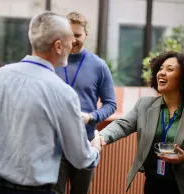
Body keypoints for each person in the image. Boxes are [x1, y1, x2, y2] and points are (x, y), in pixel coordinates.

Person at [0, 11, 102, 194]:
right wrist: (95, 149)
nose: (73, 45)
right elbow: (80, 158)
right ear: (58, 46)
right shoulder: (62, 93)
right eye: (70, 40)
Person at [99, 51, 184, 194]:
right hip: (153, 183)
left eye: (169, 69)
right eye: (160, 68)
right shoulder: (144, 105)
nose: (161, 73)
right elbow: (123, 124)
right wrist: (102, 136)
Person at [53, 11, 116, 194]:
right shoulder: (52, 62)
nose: (73, 39)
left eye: (77, 35)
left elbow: (110, 104)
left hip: (85, 143)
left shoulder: (98, 66)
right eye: (68, 34)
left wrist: (91, 117)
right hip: (54, 144)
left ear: (86, 35)